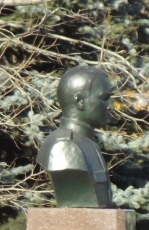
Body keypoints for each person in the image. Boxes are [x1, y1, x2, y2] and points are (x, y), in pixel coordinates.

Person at [37, 65, 114, 208]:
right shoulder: (64, 146)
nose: (111, 106)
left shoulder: (87, 144)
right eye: (104, 98)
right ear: (80, 101)